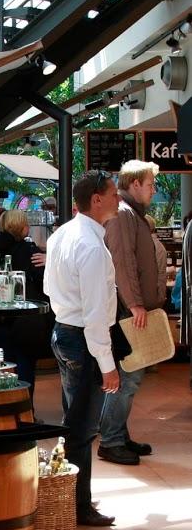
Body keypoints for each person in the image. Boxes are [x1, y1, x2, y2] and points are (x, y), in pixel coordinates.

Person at [43, 170, 122, 527]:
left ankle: (73, 496)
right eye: (113, 193)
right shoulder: (90, 245)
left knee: (74, 419)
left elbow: (48, 287)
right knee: (82, 427)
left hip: (63, 331)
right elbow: (94, 316)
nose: (117, 198)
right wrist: (107, 364)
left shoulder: (62, 233)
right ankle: (76, 505)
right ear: (97, 199)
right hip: (83, 339)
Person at [97, 160, 166, 466]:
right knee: (127, 379)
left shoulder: (131, 216)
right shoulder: (125, 216)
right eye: (150, 184)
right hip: (128, 313)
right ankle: (111, 441)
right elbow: (123, 264)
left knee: (129, 378)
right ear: (135, 184)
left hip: (131, 311)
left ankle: (119, 436)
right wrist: (136, 303)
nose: (153, 189)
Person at [0, 209, 51, 393]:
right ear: (20, 227)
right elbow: (44, 281)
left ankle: (6, 412)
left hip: (0, 318)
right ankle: (25, 412)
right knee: (25, 367)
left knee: (4, 368)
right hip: (26, 319)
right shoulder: (30, 251)